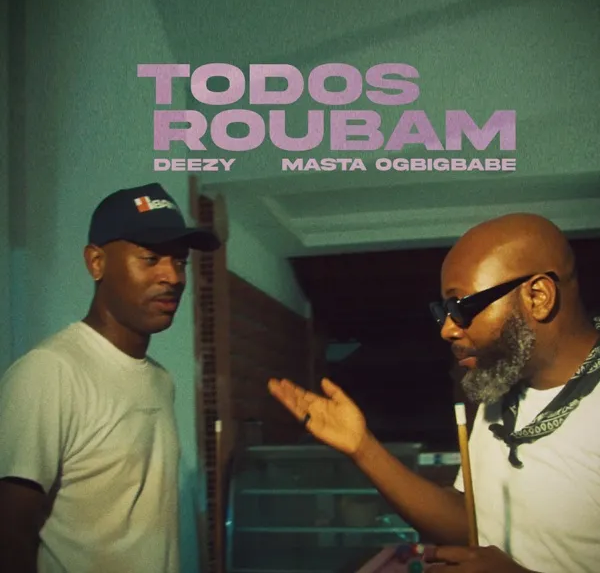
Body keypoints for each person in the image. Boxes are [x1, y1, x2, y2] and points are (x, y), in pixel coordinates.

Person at [269, 213, 600, 573]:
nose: (447, 330)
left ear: (537, 296)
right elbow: (469, 522)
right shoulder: (503, 389)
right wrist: (363, 447)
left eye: (461, 307)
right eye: (443, 311)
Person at [0, 183, 220, 573]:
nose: (172, 276)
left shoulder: (161, 380)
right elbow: (8, 536)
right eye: (150, 258)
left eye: (180, 261)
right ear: (96, 262)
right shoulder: (49, 372)